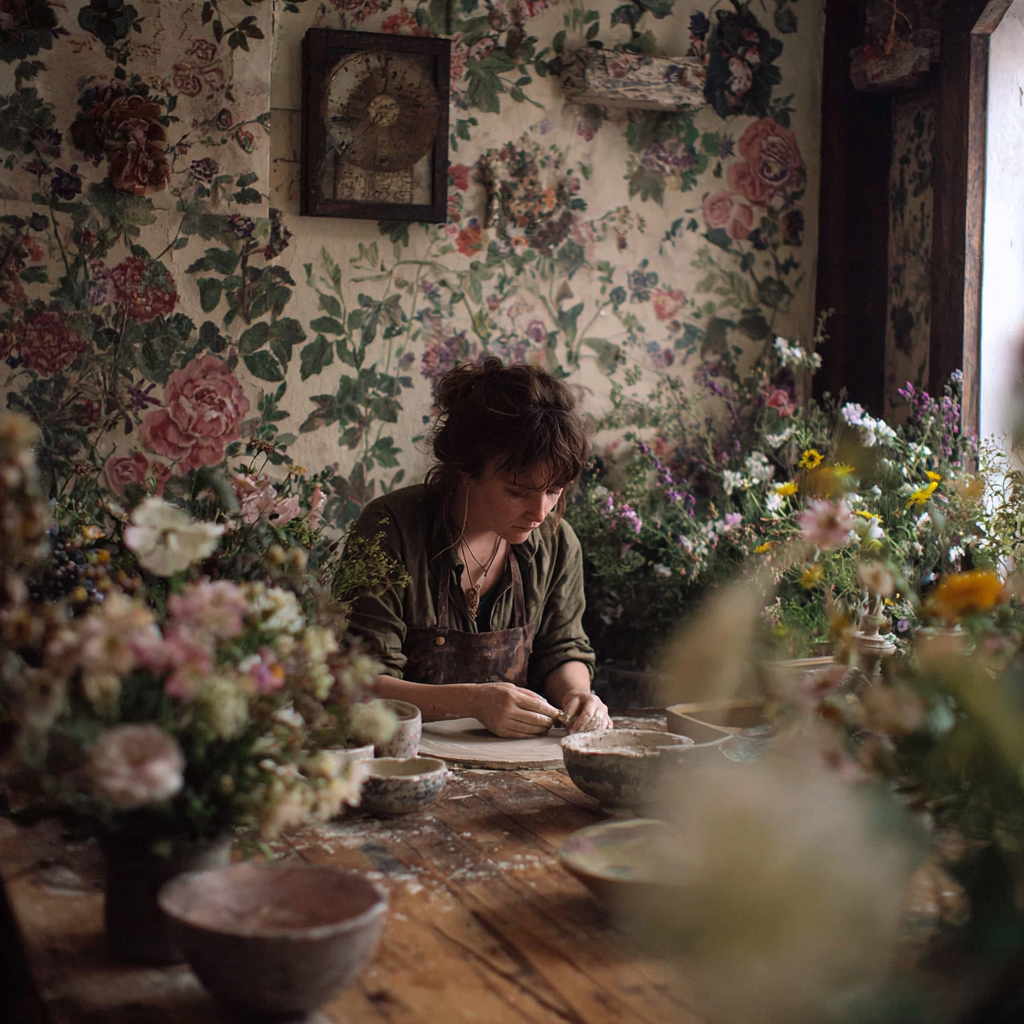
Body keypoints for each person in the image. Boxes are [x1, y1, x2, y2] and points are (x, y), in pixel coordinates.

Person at [337, 357, 612, 737]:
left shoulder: (557, 542)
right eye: (519, 492)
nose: (540, 512)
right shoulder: (392, 529)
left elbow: (562, 648)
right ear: (466, 468)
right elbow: (360, 684)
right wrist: (473, 702)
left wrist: (579, 695)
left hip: (512, 763)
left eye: (553, 490)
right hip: (406, 757)